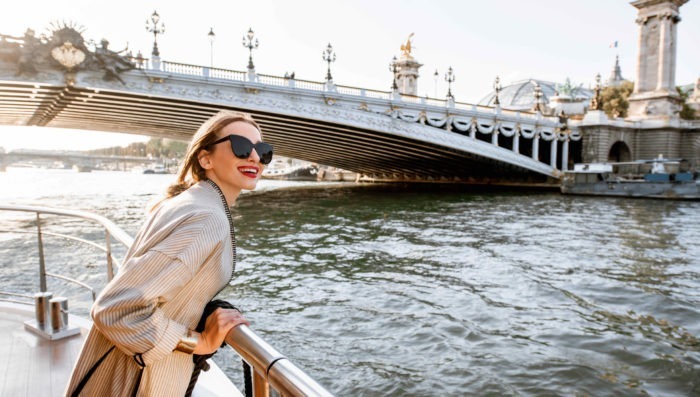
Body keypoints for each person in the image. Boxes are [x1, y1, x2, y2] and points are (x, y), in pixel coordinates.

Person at [65, 110, 274, 396]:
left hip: (119, 366)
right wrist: (199, 342)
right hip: (141, 381)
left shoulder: (187, 201)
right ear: (205, 158)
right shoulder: (207, 218)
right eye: (240, 146)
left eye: (263, 151)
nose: (254, 158)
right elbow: (117, 308)